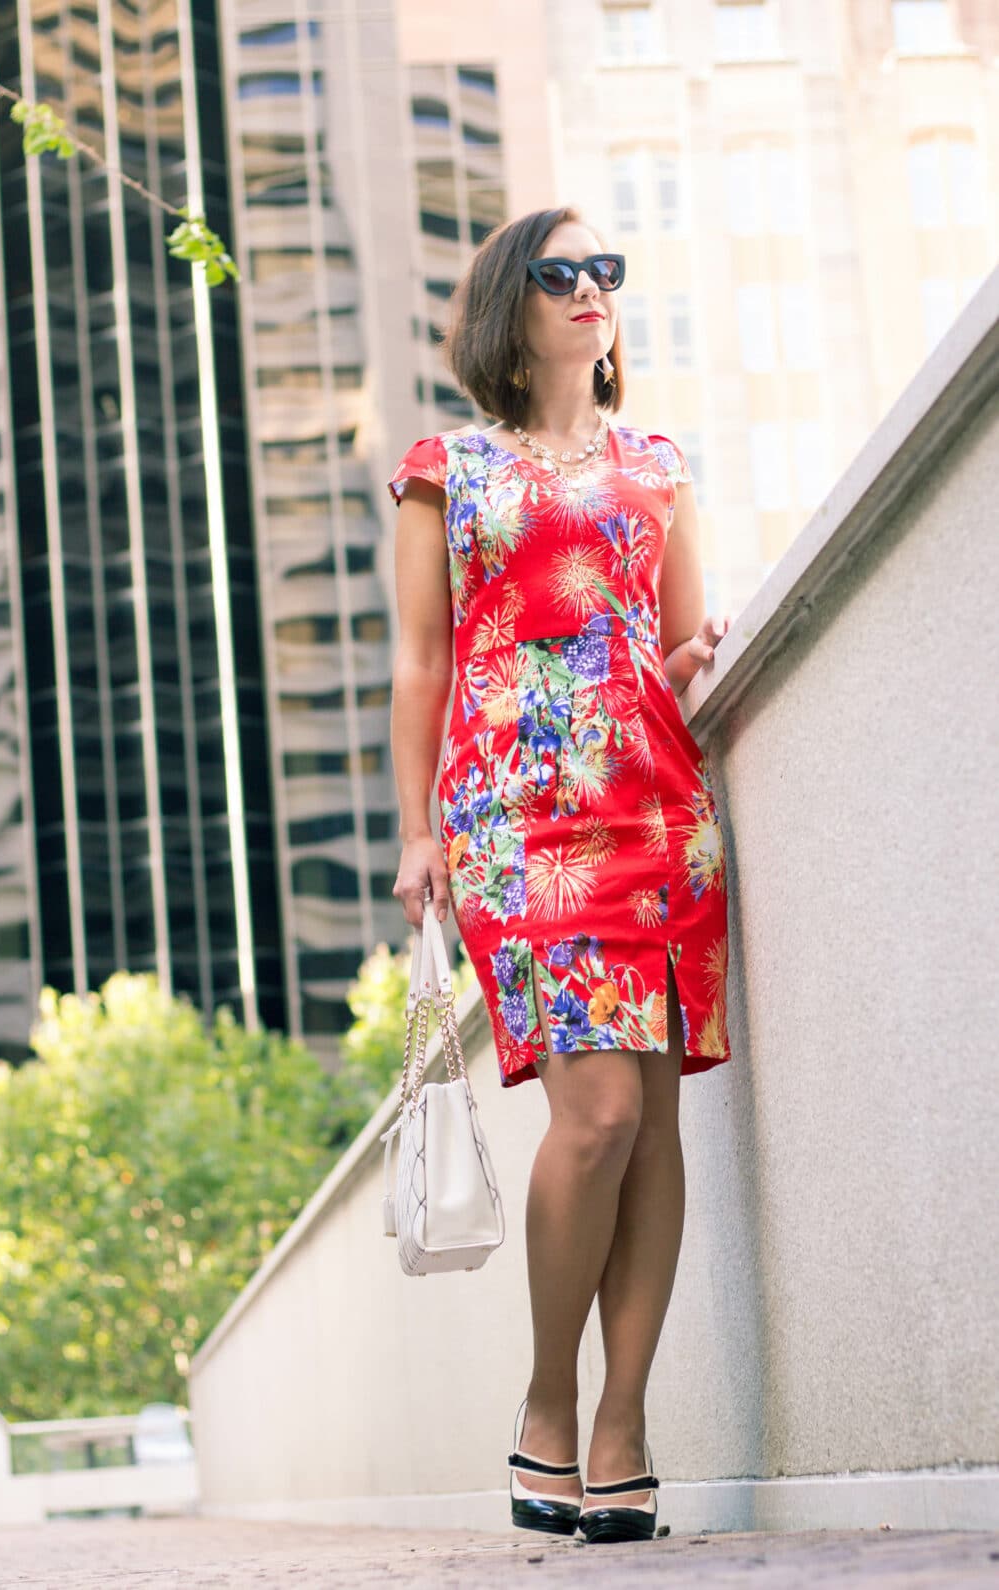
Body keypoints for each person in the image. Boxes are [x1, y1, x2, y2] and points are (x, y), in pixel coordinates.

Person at [386, 205, 732, 1546]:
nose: (591, 290)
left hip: (660, 810)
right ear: (507, 308)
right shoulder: (448, 470)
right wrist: (418, 830)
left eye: (607, 271)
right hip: (516, 816)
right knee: (593, 1112)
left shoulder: (659, 459)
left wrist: (692, 667)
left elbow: (679, 630)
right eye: (561, 272)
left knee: (652, 1121)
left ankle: (624, 1423)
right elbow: (421, 659)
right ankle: (546, 1399)